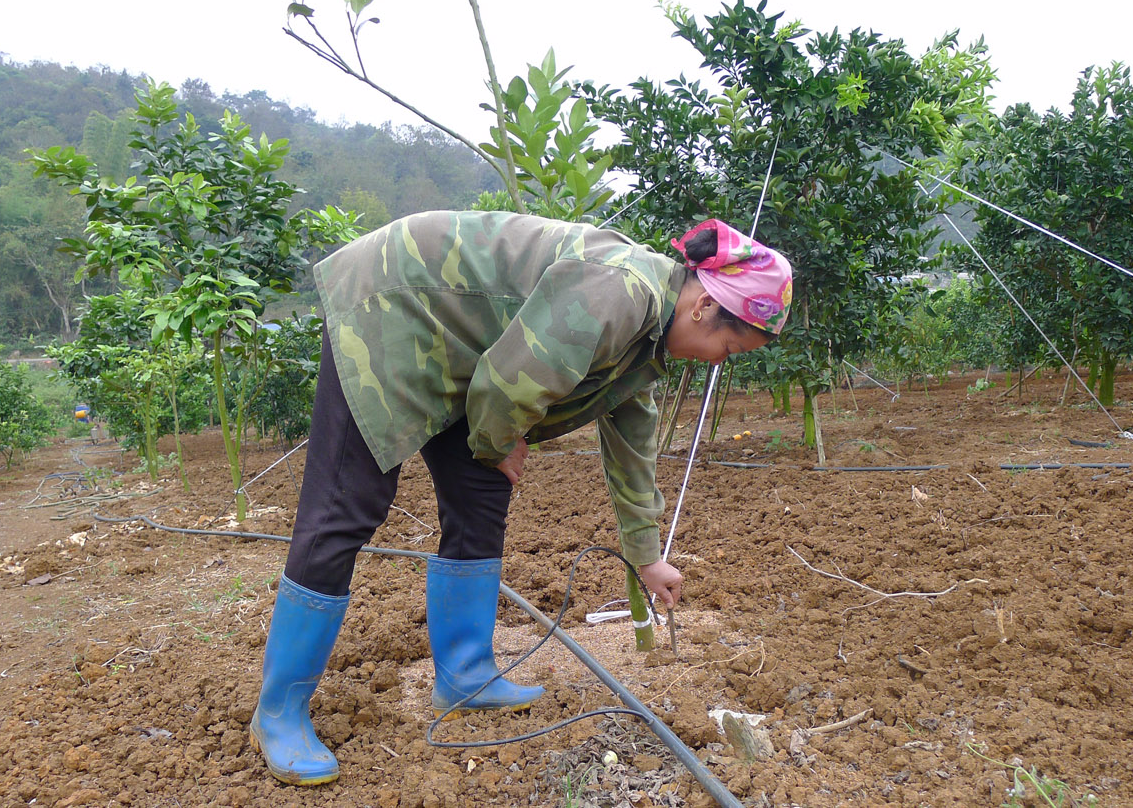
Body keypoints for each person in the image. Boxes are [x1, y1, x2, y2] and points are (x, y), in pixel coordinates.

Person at [250, 210, 792, 785]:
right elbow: (508, 386)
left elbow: (632, 442)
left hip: (470, 348)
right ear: (705, 306)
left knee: (481, 494)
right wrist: (500, 439)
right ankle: (279, 711)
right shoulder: (619, 294)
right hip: (397, 302)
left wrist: (645, 554)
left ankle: (465, 674)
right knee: (348, 504)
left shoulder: (648, 331)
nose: (715, 363)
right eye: (728, 349)